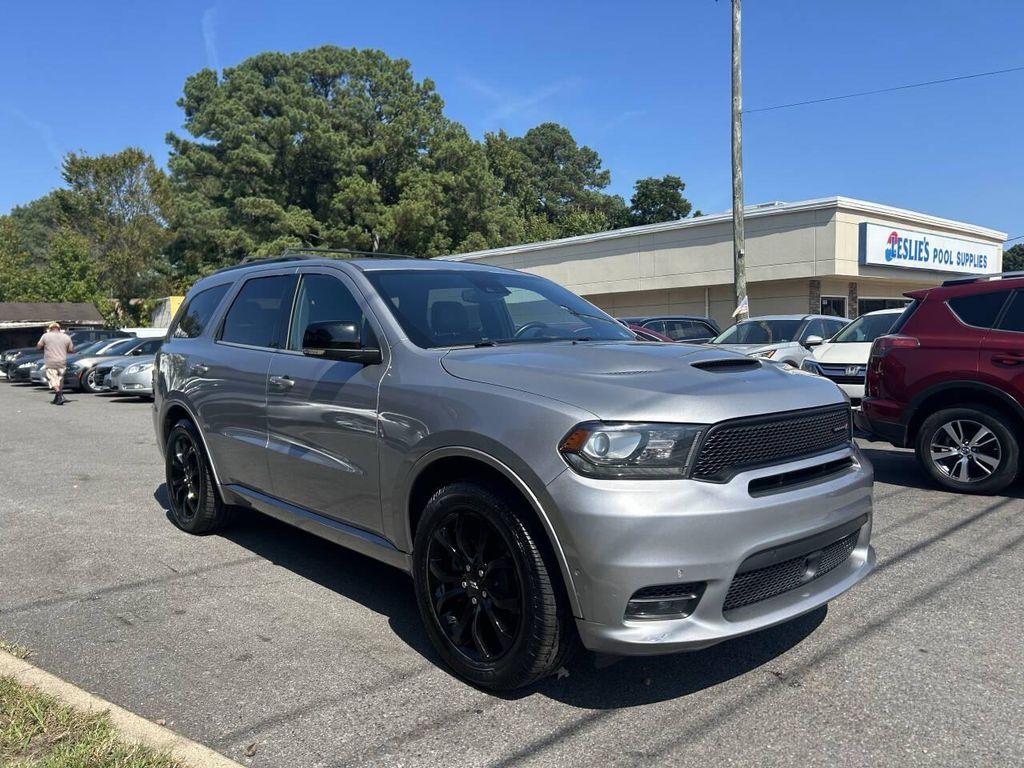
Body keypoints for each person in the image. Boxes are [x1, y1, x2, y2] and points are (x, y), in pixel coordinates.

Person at [37, 322, 74, 405]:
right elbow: (71, 350)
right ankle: (57, 398)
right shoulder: (66, 337)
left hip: (51, 362)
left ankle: (59, 395)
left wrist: (46, 347)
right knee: (60, 380)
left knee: (52, 379)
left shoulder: (46, 336)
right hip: (62, 361)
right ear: (59, 328)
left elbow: (38, 346)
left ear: (50, 329)